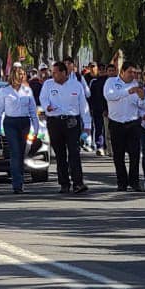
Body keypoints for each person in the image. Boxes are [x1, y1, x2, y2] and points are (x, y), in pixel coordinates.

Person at [41, 61, 92, 194]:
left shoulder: (76, 85)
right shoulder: (48, 84)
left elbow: (83, 106)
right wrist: (47, 107)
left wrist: (87, 125)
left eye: (55, 72)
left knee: (74, 152)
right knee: (60, 154)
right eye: (52, 72)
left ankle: (78, 183)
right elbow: (43, 99)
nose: (53, 75)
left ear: (64, 73)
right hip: (55, 122)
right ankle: (64, 183)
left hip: (71, 122)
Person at [0, 64, 39, 194]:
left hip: (24, 123)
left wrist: (36, 128)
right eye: (20, 74)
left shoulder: (27, 91)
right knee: (15, 152)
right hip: (11, 123)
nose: (22, 77)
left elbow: (33, 111)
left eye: (23, 75)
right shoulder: (4, 91)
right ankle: (17, 184)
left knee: (21, 152)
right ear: (13, 76)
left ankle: (20, 178)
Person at [103, 60, 145, 191]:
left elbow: (141, 105)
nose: (132, 75)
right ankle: (122, 182)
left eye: (134, 72)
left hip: (133, 122)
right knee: (118, 154)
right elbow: (110, 96)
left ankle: (134, 181)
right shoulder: (111, 82)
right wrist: (128, 91)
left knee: (135, 154)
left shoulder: (137, 84)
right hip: (116, 123)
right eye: (130, 72)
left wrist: (142, 97)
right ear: (122, 72)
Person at [89, 62, 115, 156]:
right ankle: (100, 147)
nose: (102, 71)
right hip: (97, 109)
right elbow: (91, 96)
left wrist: (106, 109)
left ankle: (108, 148)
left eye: (103, 69)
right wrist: (91, 108)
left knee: (108, 129)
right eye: (100, 69)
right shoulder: (96, 82)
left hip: (110, 109)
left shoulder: (116, 82)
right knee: (99, 128)